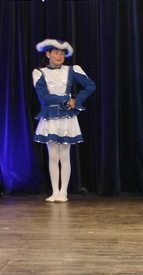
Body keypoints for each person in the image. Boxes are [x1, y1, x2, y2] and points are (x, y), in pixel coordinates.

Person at [32, 39, 96, 202]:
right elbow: (44, 97)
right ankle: (55, 191)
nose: (59, 56)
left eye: (62, 53)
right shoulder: (39, 73)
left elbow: (90, 85)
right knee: (53, 155)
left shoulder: (71, 70)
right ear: (48, 54)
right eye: (56, 52)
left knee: (65, 155)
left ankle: (63, 192)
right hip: (50, 116)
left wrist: (76, 99)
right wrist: (66, 99)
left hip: (67, 116)